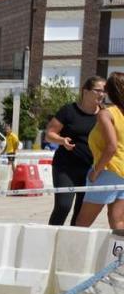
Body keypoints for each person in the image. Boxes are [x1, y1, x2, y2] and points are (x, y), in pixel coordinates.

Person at [47, 76, 107, 226]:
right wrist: (62, 140)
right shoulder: (68, 110)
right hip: (65, 168)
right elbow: (49, 134)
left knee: (80, 212)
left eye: (104, 91)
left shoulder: (104, 114)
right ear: (85, 91)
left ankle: (72, 243)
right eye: (98, 90)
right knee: (63, 206)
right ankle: (50, 239)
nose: (102, 94)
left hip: (90, 170)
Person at [77, 73, 124, 229]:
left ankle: (75, 254)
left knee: (82, 224)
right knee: (118, 222)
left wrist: (96, 171)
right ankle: (119, 254)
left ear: (109, 92)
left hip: (108, 170)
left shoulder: (106, 113)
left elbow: (111, 147)